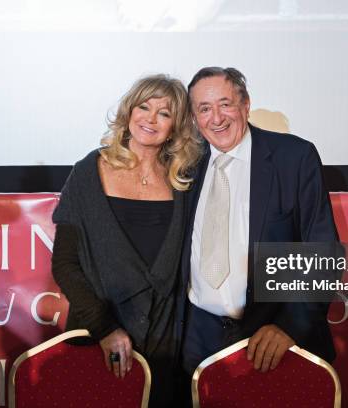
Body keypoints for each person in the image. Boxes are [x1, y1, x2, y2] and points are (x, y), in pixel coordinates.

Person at [51, 74, 201, 407]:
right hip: (95, 339)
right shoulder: (89, 172)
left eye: (164, 113)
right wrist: (104, 329)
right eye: (144, 107)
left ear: (176, 126)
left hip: (164, 345)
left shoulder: (185, 180)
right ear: (128, 112)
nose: (151, 118)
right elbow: (65, 264)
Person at [179, 67, 340, 378]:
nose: (217, 118)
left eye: (225, 104)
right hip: (198, 338)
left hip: (274, 338)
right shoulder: (185, 165)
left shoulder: (293, 157)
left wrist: (289, 326)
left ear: (245, 105)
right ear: (194, 118)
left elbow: (323, 251)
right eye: (204, 108)